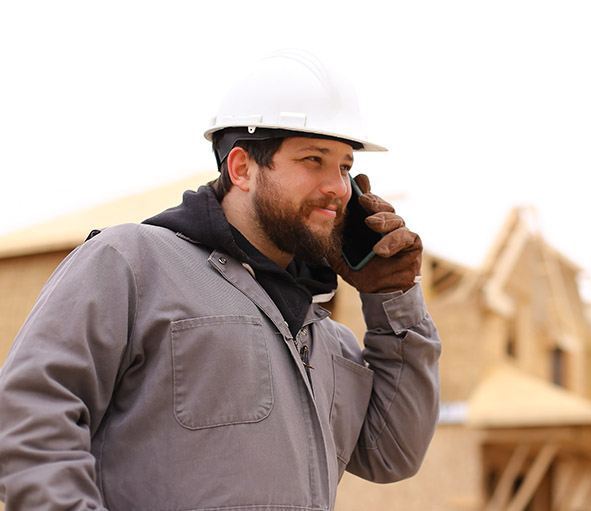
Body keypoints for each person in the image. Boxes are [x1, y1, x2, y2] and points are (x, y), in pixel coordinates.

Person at [0, 49, 441, 510]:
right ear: (242, 168)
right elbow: (30, 416)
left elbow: (394, 453)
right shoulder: (132, 261)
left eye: (346, 166)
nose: (339, 186)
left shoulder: (321, 335)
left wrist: (394, 299)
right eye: (314, 159)